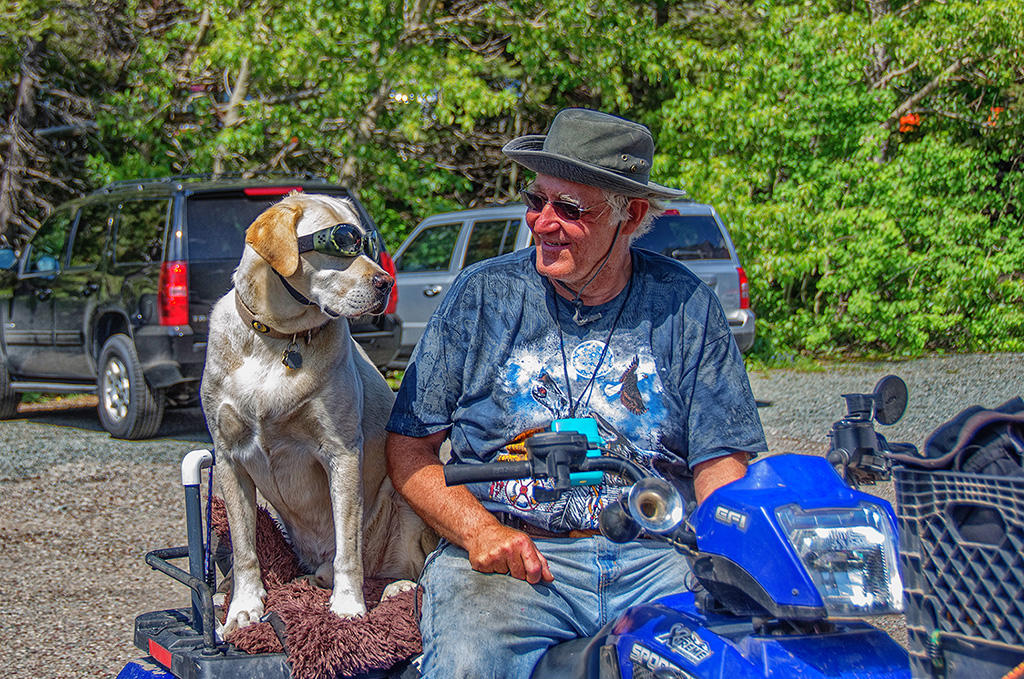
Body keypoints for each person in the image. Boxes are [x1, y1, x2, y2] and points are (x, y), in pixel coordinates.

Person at [385, 108, 766, 678]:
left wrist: (726, 555)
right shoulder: (482, 295)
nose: (542, 222)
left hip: (656, 557)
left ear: (630, 215)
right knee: (467, 665)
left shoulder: (685, 305)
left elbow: (719, 465)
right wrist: (481, 531)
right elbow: (409, 451)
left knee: (737, 660)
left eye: (569, 208)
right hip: (511, 564)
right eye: (536, 201)